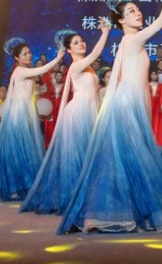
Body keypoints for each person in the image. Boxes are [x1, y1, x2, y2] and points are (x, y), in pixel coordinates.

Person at [59, 0, 162, 233]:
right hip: (128, 104)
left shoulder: (129, 41)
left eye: (138, 9)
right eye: (131, 11)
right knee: (136, 157)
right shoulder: (133, 39)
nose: (138, 13)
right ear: (122, 20)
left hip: (131, 101)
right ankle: (124, 214)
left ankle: (127, 213)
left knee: (129, 160)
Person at [22, 22, 110, 214]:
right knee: (78, 156)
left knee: (88, 155)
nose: (81, 44)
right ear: (69, 49)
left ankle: (85, 197)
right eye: (76, 43)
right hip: (79, 113)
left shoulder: (88, 66)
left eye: (82, 41)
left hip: (90, 111)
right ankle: (74, 199)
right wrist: (105, 33)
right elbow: (96, 54)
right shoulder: (77, 65)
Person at [0, 38, 60, 201]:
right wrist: (58, 58)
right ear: (17, 57)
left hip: (25, 109)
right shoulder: (19, 71)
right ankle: (15, 185)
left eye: (29, 53)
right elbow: (42, 69)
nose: (29, 55)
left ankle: (21, 185)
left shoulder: (24, 70)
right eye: (24, 54)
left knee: (23, 147)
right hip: (19, 111)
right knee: (18, 147)